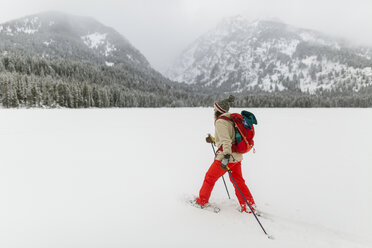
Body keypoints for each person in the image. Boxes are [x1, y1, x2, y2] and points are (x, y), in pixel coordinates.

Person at [195, 95, 257, 213]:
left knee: (209, 178)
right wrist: (213, 140)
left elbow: (227, 142)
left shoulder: (220, 122)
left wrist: (226, 158)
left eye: (215, 108)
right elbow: (229, 138)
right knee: (238, 182)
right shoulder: (231, 119)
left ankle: (202, 201)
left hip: (227, 157)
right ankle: (249, 206)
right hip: (237, 157)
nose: (213, 110)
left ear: (219, 110)